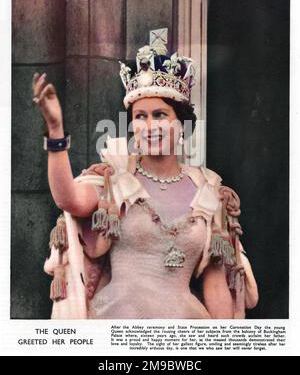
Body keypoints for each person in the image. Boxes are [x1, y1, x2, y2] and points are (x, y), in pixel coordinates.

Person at [32, 44, 258, 319]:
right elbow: (68, 199)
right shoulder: (114, 177)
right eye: (140, 117)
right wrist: (55, 131)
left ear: (182, 124)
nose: (149, 126)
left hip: (184, 331)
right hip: (117, 325)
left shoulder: (208, 190)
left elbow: (215, 286)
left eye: (160, 115)